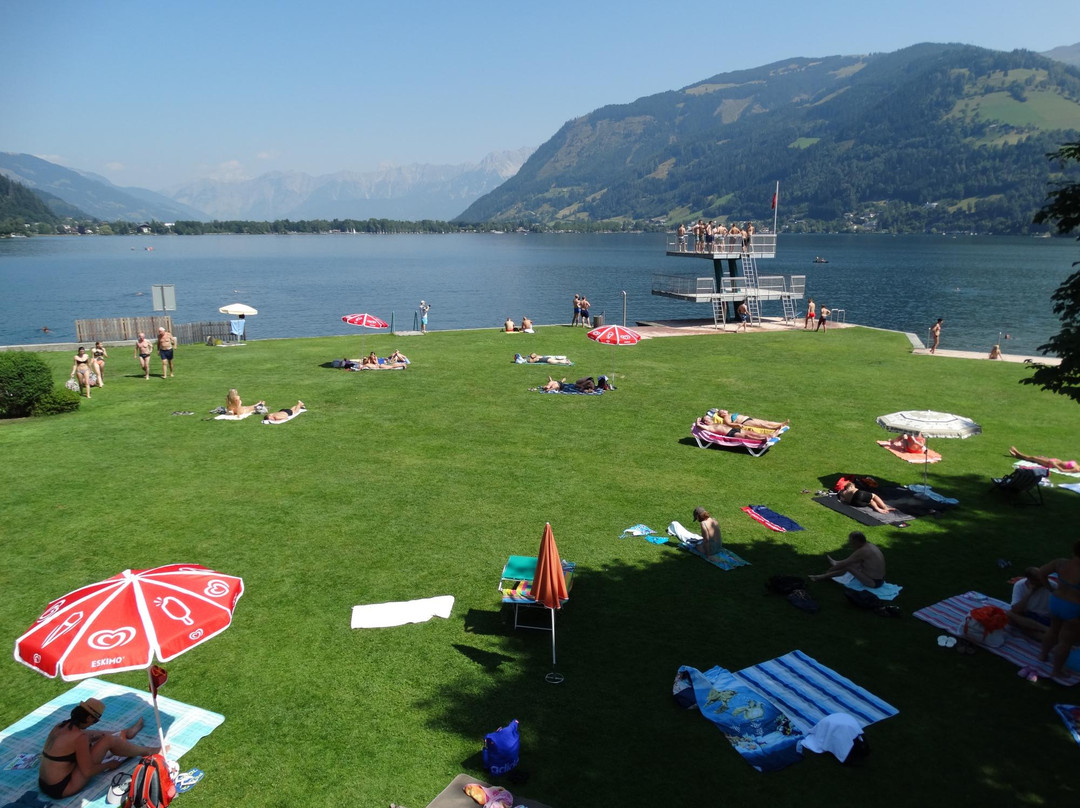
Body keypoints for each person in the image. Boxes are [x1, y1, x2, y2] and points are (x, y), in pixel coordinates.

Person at [38, 698, 159, 800]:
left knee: (90, 734)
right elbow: (88, 771)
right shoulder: (80, 738)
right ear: (90, 718)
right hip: (62, 787)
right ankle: (147, 751)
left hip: (44, 784)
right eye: (95, 720)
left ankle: (126, 733)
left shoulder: (60, 726)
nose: (93, 723)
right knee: (108, 740)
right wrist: (110, 765)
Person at [1037, 540, 1080, 678]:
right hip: (1073, 607)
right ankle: (1056, 671)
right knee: (1066, 641)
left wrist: (1049, 588)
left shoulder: (1060, 563)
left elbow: (1041, 573)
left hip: (1056, 601)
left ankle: (1043, 655)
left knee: (1053, 629)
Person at [809, 531, 886, 588]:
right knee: (854, 563)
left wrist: (831, 570)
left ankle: (820, 577)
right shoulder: (870, 546)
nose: (850, 544)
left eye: (852, 542)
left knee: (849, 567)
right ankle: (834, 564)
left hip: (874, 582)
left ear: (857, 542)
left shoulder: (863, 551)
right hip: (879, 578)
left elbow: (845, 563)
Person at [1008, 567, 1055, 640]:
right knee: (1009, 615)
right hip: (1029, 616)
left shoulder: (1052, 586)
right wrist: (1029, 593)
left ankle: (1046, 634)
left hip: (1047, 618)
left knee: (1021, 625)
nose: (1043, 581)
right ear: (1030, 580)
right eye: (1039, 580)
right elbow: (1015, 610)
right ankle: (1046, 631)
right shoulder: (1020, 585)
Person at [703, 409, 788, 435]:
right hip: (744, 422)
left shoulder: (729, 414)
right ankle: (776, 427)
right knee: (762, 424)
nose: (725, 411)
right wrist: (737, 424)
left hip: (747, 419)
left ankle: (780, 423)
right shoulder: (726, 418)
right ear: (721, 415)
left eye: (724, 410)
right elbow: (729, 424)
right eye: (722, 412)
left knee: (765, 422)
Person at [1009, 447, 1079, 473]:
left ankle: (1017, 453)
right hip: (1055, 460)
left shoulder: (1077, 470)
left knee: (1033, 458)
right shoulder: (1078, 466)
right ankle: (1017, 455)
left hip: (1051, 463)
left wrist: (1054, 464)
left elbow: (1062, 470)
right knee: (1036, 458)